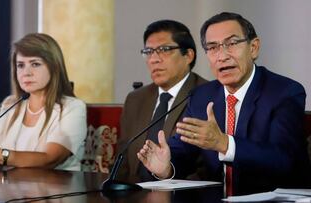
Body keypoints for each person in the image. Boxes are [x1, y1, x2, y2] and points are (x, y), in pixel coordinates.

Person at [137, 12, 311, 195]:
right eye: (212, 48)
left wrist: (225, 143)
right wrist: (167, 168)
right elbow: (183, 152)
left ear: (254, 48)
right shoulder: (202, 96)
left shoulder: (283, 92)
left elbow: (283, 159)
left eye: (232, 44)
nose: (222, 56)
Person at [0, 33, 87, 171]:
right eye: (20, 65)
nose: (26, 72)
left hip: (59, 190)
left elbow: (50, 158)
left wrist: (2, 155)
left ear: (54, 67)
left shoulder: (73, 107)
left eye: (35, 64)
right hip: (11, 190)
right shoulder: (10, 104)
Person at [117, 20, 207, 181]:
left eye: (164, 50)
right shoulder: (135, 99)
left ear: (188, 55)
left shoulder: (207, 95)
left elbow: (206, 166)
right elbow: (122, 162)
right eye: (149, 51)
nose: (153, 59)